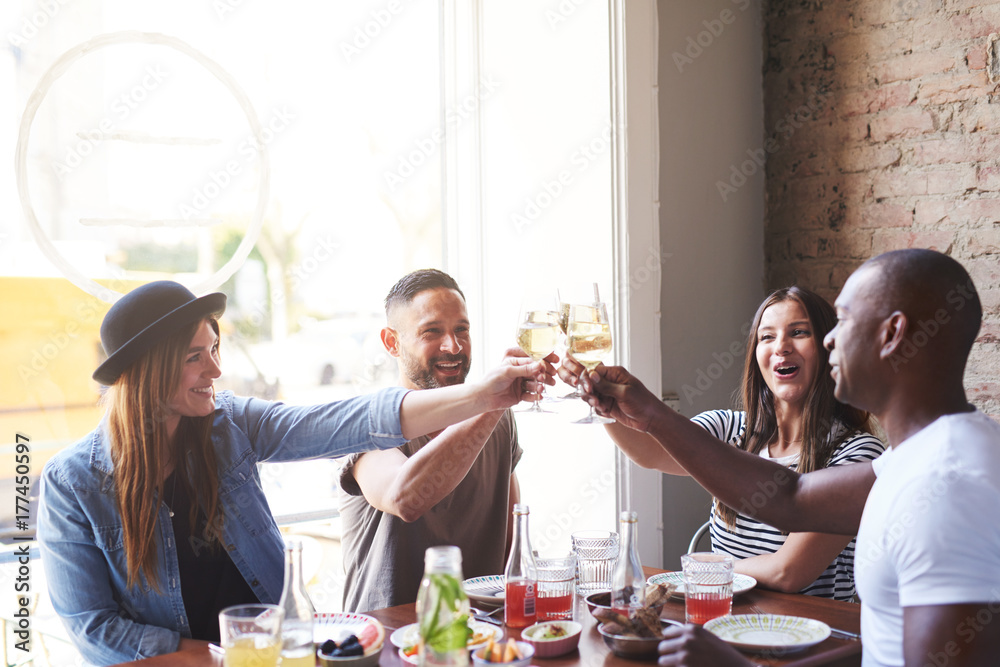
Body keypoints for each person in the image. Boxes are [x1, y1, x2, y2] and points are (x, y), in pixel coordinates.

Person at [37, 280, 551, 666]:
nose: (215, 371)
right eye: (196, 357)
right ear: (146, 374)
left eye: (214, 350)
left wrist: (484, 395)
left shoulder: (229, 424)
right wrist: (225, 656)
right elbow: (94, 630)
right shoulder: (73, 483)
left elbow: (341, 422)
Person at [560, 249, 1000, 666]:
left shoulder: (948, 485)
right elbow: (790, 497)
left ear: (892, 335)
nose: (829, 339)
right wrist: (648, 412)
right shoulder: (916, 460)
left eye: (842, 320)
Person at [603, 286, 884, 601]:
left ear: (828, 345)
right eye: (767, 337)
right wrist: (603, 406)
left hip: (810, 635)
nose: (781, 347)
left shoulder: (859, 454)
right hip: (723, 622)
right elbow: (649, 452)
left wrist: (707, 570)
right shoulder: (729, 429)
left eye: (799, 332)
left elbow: (788, 572)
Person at [338, 269, 550, 611]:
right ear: (392, 342)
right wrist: (492, 404)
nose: (452, 346)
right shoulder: (365, 420)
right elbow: (406, 499)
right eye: (432, 332)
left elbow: (515, 544)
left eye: (461, 330)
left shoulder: (498, 420)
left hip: (483, 638)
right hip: (387, 643)